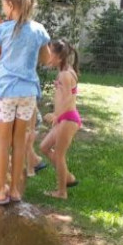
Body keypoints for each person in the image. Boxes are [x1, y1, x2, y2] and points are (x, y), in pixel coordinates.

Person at [0, 0, 50, 205]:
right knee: (20, 141)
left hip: (7, 92)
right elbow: (46, 59)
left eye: (4, 5)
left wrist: (1, 38)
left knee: (3, 141)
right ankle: (15, 190)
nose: (3, 9)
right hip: (28, 93)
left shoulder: (3, 29)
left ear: (11, 5)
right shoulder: (39, 29)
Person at [40, 39, 81, 199]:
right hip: (64, 119)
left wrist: (56, 116)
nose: (47, 57)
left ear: (58, 57)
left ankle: (62, 192)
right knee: (44, 147)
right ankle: (68, 177)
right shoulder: (65, 71)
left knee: (59, 155)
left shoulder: (64, 75)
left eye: (49, 54)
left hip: (68, 119)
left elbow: (69, 100)